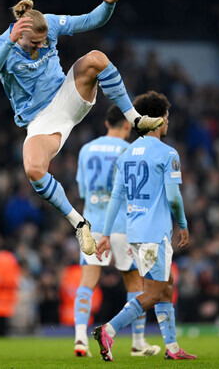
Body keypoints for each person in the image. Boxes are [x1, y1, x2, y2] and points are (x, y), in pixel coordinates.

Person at [0, 0, 164, 257]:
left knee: (96, 59)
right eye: (35, 44)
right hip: (40, 121)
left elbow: (91, 20)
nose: (41, 46)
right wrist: (8, 42)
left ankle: (135, 120)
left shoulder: (49, 25)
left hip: (67, 96)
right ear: (19, 35)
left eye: (45, 42)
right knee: (33, 168)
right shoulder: (1, 45)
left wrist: (109, 6)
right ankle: (79, 223)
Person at [92, 91, 196, 361]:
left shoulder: (126, 154)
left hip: (134, 232)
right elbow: (173, 196)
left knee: (167, 284)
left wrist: (105, 234)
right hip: (153, 234)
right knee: (152, 292)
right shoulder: (167, 153)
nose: (168, 123)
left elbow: (116, 197)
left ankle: (172, 348)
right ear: (159, 120)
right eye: (167, 117)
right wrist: (183, 224)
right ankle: (109, 330)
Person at [73, 105, 161, 358]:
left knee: (87, 281)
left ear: (105, 123)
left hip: (91, 224)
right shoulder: (129, 150)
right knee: (134, 281)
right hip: (123, 225)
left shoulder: (86, 149)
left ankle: (80, 338)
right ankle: (138, 342)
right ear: (126, 125)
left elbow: (82, 192)